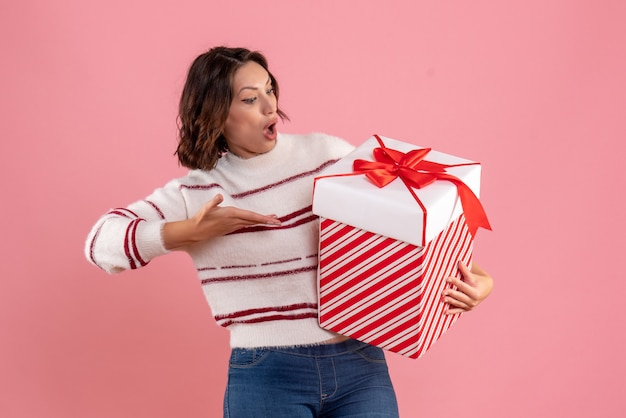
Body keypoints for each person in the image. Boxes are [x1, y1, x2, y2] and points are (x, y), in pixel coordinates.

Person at [85, 46, 494, 418]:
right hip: (266, 374)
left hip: (360, 363)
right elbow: (100, 243)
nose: (270, 107)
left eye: (270, 90)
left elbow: (404, 231)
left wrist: (479, 282)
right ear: (214, 114)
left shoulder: (328, 155)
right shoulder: (197, 192)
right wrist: (189, 231)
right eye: (250, 99)